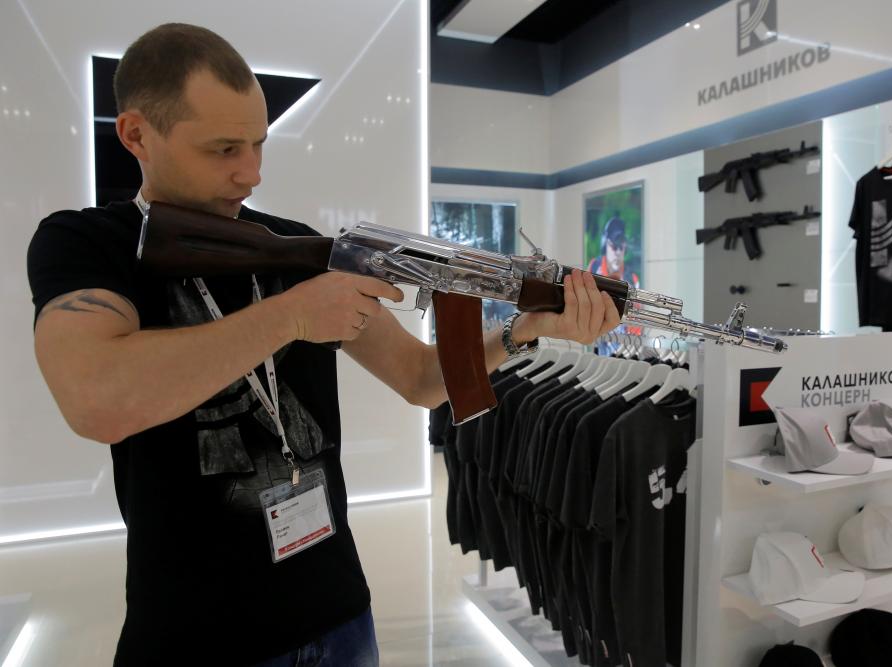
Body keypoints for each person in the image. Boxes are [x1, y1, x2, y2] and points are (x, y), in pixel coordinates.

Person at [26, 23, 620, 667]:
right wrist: (290, 316)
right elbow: (96, 401)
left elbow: (422, 379)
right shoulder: (87, 243)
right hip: (195, 637)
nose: (249, 173)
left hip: (338, 614)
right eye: (223, 149)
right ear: (136, 134)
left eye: (257, 144)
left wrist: (522, 330)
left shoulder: (295, 244)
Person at [586, 216, 640, 289]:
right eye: (614, 247)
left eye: (621, 248)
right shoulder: (594, 267)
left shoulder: (632, 279)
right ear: (605, 246)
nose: (618, 253)